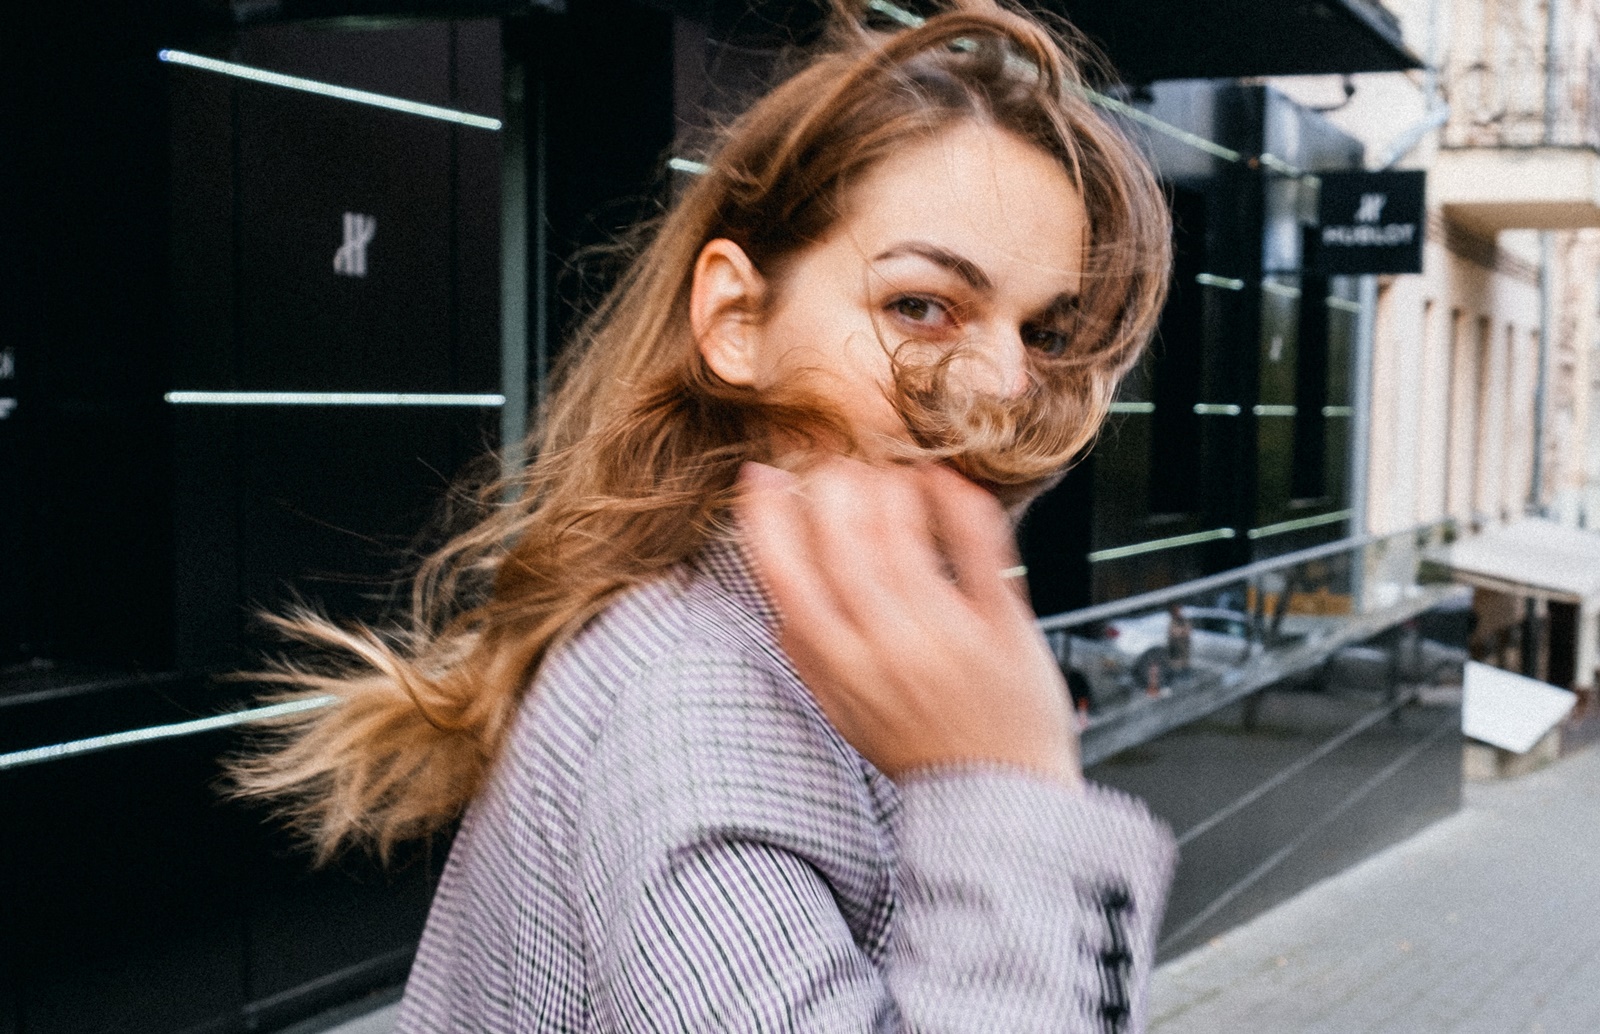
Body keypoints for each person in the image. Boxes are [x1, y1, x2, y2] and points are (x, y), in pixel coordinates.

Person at [232, 2, 1178, 1029]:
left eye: (1046, 334)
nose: (1004, 382)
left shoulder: (804, 648)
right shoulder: (695, 703)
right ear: (735, 319)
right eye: (920, 304)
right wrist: (1008, 783)